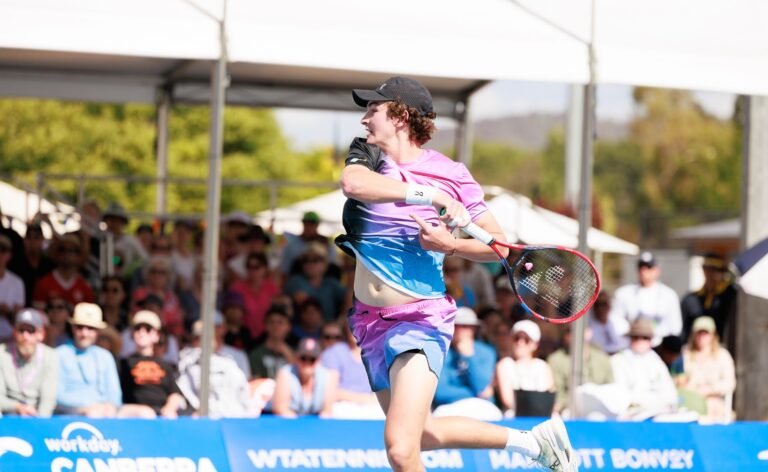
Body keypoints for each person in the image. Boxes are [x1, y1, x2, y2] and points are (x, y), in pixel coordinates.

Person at [336, 76, 575, 472]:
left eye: (373, 110)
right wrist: (429, 195)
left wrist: (450, 245)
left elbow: (497, 245)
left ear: (399, 116)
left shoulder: (453, 174)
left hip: (419, 320)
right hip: (369, 322)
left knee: (399, 449)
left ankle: (531, 443)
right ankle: (529, 442)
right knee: (421, 434)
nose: (365, 119)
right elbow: (353, 184)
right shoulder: (368, 155)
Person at [432, 307, 501, 421]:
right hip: (450, 406)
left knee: (494, 415)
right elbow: (440, 393)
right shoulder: (441, 352)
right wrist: (474, 393)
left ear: (474, 329)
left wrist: (468, 355)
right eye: (455, 325)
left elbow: (481, 385)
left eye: (465, 326)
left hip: (482, 407)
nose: (459, 330)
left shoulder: (487, 352)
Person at [55, 302, 122, 417]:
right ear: (72, 328)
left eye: (90, 328)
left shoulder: (105, 356)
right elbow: (56, 395)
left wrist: (109, 406)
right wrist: (86, 407)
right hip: (69, 413)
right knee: (93, 413)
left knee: (144, 413)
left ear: (98, 331)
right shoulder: (59, 354)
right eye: (80, 327)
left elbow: (115, 395)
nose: (84, 333)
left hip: (103, 411)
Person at [117, 310, 185, 418]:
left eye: (148, 329)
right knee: (146, 413)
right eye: (137, 328)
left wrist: (169, 407)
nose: (142, 332)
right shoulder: (123, 363)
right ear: (132, 333)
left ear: (156, 335)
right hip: (134, 413)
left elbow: (175, 393)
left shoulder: (164, 364)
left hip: (161, 413)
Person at [609, 251, 682, 347]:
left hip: (660, 346)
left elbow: (675, 327)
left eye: (649, 267)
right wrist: (633, 332)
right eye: (641, 267)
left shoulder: (669, 295)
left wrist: (652, 333)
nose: (644, 271)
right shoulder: (623, 293)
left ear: (657, 270)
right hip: (629, 344)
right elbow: (615, 319)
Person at [610, 318, 678, 420]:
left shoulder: (656, 361)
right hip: (631, 415)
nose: (641, 341)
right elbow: (620, 395)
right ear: (631, 339)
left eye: (645, 338)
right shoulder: (619, 360)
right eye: (636, 337)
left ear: (651, 340)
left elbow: (670, 394)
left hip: (657, 413)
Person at [675, 316, 735, 423]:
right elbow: (677, 377)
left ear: (713, 335)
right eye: (699, 333)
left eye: (705, 333)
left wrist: (709, 389)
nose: (701, 337)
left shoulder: (722, 355)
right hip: (689, 399)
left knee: (711, 408)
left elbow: (730, 382)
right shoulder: (685, 353)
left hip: (713, 400)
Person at [0, 308, 58, 416]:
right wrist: (17, 407)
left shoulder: (50, 355)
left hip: (36, 416)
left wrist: (39, 422)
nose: (25, 336)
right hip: (7, 416)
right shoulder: (2, 353)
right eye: (21, 330)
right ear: (14, 332)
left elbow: (48, 400)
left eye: (31, 331)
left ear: (41, 334)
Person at [547, 327, 614, 416]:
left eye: (580, 331)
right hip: (570, 409)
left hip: (600, 408)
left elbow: (611, 389)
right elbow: (558, 394)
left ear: (589, 332)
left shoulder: (602, 358)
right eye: (570, 332)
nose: (575, 335)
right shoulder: (556, 360)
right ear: (565, 336)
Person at [495, 320, 555, 418]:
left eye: (526, 339)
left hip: (542, 417)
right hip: (514, 418)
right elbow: (508, 401)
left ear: (535, 344)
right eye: (516, 338)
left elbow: (549, 399)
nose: (520, 342)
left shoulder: (543, 366)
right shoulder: (504, 364)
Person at [680, 253, 737, 352]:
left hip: (722, 350)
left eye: (716, 270)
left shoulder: (731, 297)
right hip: (695, 351)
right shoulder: (691, 299)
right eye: (708, 269)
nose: (711, 274)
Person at [270, 337, 335, 418]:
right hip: (289, 425)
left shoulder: (327, 376)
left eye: (312, 359)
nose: (307, 362)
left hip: (316, 425)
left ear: (318, 360)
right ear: (297, 358)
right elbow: (280, 409)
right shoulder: (286, 374)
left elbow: (327, 411)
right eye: (303, 358)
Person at [0, 234, 25, 342]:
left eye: (3, 250)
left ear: (9, 255)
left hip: (8, 339)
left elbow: (18, 318)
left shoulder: (17, 282)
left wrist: (8, 312)